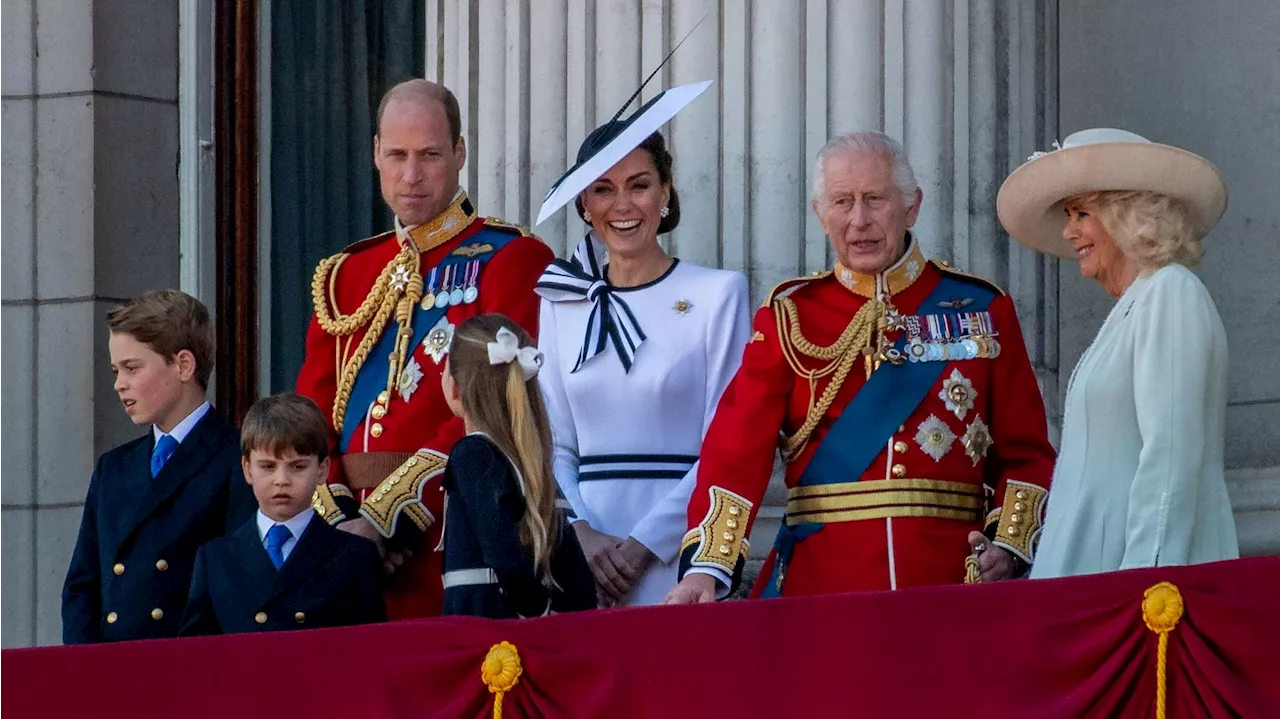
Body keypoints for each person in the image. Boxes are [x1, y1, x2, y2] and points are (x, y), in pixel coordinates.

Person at [664, 131, 1057, 604]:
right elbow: (736, 449)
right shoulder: (791, 316)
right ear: (820, 214)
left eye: (875, 199)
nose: (859, 220)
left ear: (912, 206)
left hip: (952, 586)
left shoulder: (980, 309)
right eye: (842, 202)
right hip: (823, 588)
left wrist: (1009, 548)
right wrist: (707, 568)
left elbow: (1026, 453)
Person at [296, 79, 554, 619]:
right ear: (375, 154)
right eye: (397, 155)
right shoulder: (346, 275)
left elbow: (486, 411)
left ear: (460, 154)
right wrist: (340, 516)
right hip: (343, 545)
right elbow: (310, 417)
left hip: (449, 537)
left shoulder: (511, 258)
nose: (411, 175)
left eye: (430, 155)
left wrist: (385, 520)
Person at [996, 128, 1239, 578]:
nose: (1069, 232)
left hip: (1135, 596)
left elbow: (1169, 461)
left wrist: (1143, 587)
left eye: (1082, 213)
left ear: (1129, 216)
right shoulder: (1136, 305)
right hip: (1093, 584)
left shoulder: (1170, 294)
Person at [536, 124, 752, 607]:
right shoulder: (559, 300)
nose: (623, 205)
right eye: (603, 189)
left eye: (639, 184)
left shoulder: (718, 294)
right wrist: (581, 535)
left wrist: (643, 546)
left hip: (675, 560)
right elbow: (553, 441)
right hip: (582, 560)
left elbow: (727, 443)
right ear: (584, 205)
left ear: (666, 193)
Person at [62, 290, 256, 643]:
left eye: (132, 368)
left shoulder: (236, 457)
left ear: (183, 365)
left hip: (188, 668)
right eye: (116, 370)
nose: (119, 384)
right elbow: (82, 586)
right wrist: (84, 668)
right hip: (113, 672)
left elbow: (236, 586)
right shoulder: (113, 467)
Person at [180, 394, 386, 635]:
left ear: (322, 469)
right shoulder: (214, 558)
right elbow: (197, 654)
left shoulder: (354, 556)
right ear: (247, 469)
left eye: (298, 466)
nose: (282, 480)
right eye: (267, 466)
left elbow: (368, 653)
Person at [436, 315, 595, 618]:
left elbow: (505, 556)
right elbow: (580, 585)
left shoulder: (473, 454)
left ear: (455, 387)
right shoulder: (533, 460)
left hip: (490, 643)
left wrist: (535, 616)